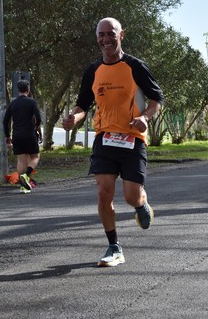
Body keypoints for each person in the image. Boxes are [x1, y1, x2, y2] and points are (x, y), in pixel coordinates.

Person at [62, 17, 164, 267]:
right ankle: (114, 246)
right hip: (105, 138)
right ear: (96, 37)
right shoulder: (93, 70)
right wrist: (74, 117)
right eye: (101, 34)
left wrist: (145, 117)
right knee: (103, 192)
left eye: (111, 33)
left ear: (122, 35)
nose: (105, 38)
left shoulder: (135, 66)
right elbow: (83, 105)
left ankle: (141, 202)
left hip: (133, 139)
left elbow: (156, 99)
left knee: (130, 197)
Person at [3, 79, 42, 192]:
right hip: (29, 134)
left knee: (21, 160)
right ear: (28, 90)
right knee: (35, 157)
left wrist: (7, 135)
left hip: (17, 135)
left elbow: (6, 120)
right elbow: (38, 118)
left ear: (18, 90)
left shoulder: (13, 103)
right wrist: (36, 126)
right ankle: (27, 175)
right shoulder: (32, 102)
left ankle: (23, 186)